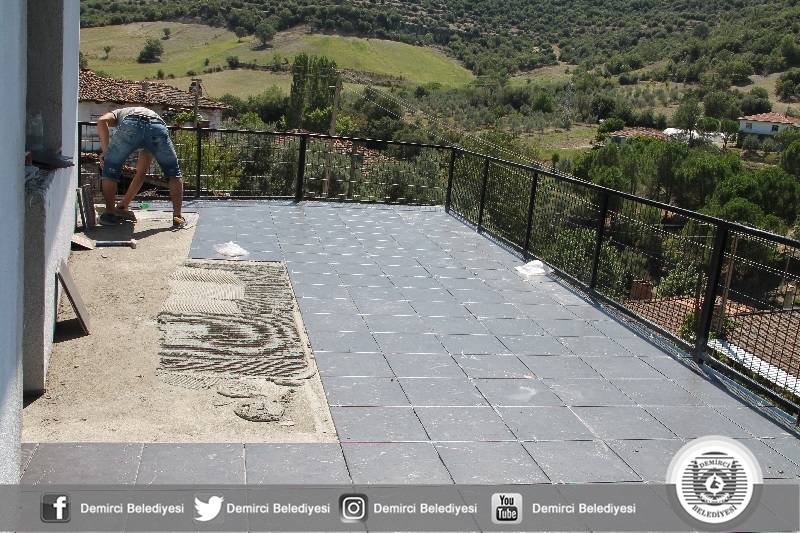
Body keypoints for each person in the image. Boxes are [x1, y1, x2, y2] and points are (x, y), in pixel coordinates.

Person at [96, 107, 186, 228]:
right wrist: (124, 203)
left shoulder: (118, 113)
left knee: (110, 169)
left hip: (132, 123)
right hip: (157, 127)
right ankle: (178, 218)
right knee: (173, 172)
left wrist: (105, 151)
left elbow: (102, 121)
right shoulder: (147, 117)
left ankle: (109, 215)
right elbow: (141, 174)